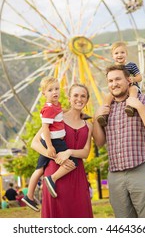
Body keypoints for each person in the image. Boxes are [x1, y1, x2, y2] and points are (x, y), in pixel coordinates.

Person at [93, 65, 145, 218]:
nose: (114, 83)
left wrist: (138, 106)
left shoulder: (144, 100)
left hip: (140, 169)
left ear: (129, 80)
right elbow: (99, 142)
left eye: (118, 79)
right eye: (110, 81)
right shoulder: (106, 108)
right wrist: (96, 119)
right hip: (115, 174)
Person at [31, 83, 93, 218]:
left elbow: (86, 152)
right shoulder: (58, 118)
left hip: (77, 175)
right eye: (75, 95)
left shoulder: (88, 125)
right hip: (55, 175)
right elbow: (35, 143)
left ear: (87, 100)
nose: (79, 99)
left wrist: (69, 152)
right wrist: (56, 157)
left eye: (83, 96)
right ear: (69, 98)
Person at [22, 76, 78, 212]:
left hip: (52, 141)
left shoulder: (56, 106)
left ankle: (29, 196)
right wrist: (50, 146)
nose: (55, 92)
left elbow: (60, 111)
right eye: (50, 90)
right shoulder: (48, 109)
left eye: (57, 89)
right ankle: (52, 179)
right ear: (44, 94)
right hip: (54, 141)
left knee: (39, 169)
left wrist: (70, 111)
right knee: (73, 162)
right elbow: (45, 128)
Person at [97, 41, 142, 126]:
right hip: (118, 88)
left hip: (131, 85)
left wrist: (133, 79)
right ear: (112, 56)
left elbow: (140, 77)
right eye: (116, 53)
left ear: (126, 54)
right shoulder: (113, 68)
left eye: (122, 52)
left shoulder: (131, 65)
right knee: (108, 96)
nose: (119, 55)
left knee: (134, 89)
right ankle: (104, 115)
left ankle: (130, 106)